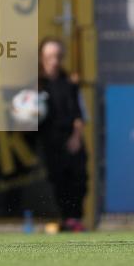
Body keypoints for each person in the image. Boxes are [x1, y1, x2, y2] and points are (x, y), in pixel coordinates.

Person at [33, 38, 88, 232]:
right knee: (56, 182)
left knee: (78, 179)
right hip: (49, 142)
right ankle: (61, 220)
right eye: (49, 57)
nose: (53, 61)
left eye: (57, 57)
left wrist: (76, 137)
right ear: (42, 58)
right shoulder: (36, 84)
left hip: (70, 139)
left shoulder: (70, 82)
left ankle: (75, 220)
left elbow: (79, 114)